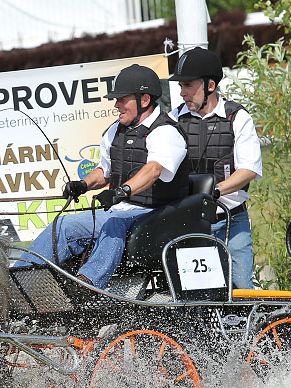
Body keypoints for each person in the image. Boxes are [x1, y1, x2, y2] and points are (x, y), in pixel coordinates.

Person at [21, 64, 189, 288]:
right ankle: (22, 282)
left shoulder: (166, 131)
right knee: (62, 224)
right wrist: (82, 184)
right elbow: (104, 172)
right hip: (121, 210)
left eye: (122, 98)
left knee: (113, 223)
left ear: (144, 100)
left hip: (157, 214)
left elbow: (154, 170)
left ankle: (87, 287)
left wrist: (121, 192)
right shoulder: (115, 131)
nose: (116, 104)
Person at [168, 47, 262, 289]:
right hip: (189, 224)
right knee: (198, 294)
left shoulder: (238, 117)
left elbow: (248, 170)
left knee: (241, 288)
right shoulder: (173, 119)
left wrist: (215, 191)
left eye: (188, 85)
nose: (182, 93)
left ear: (210, 85)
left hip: (231, 219)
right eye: (181, 86)